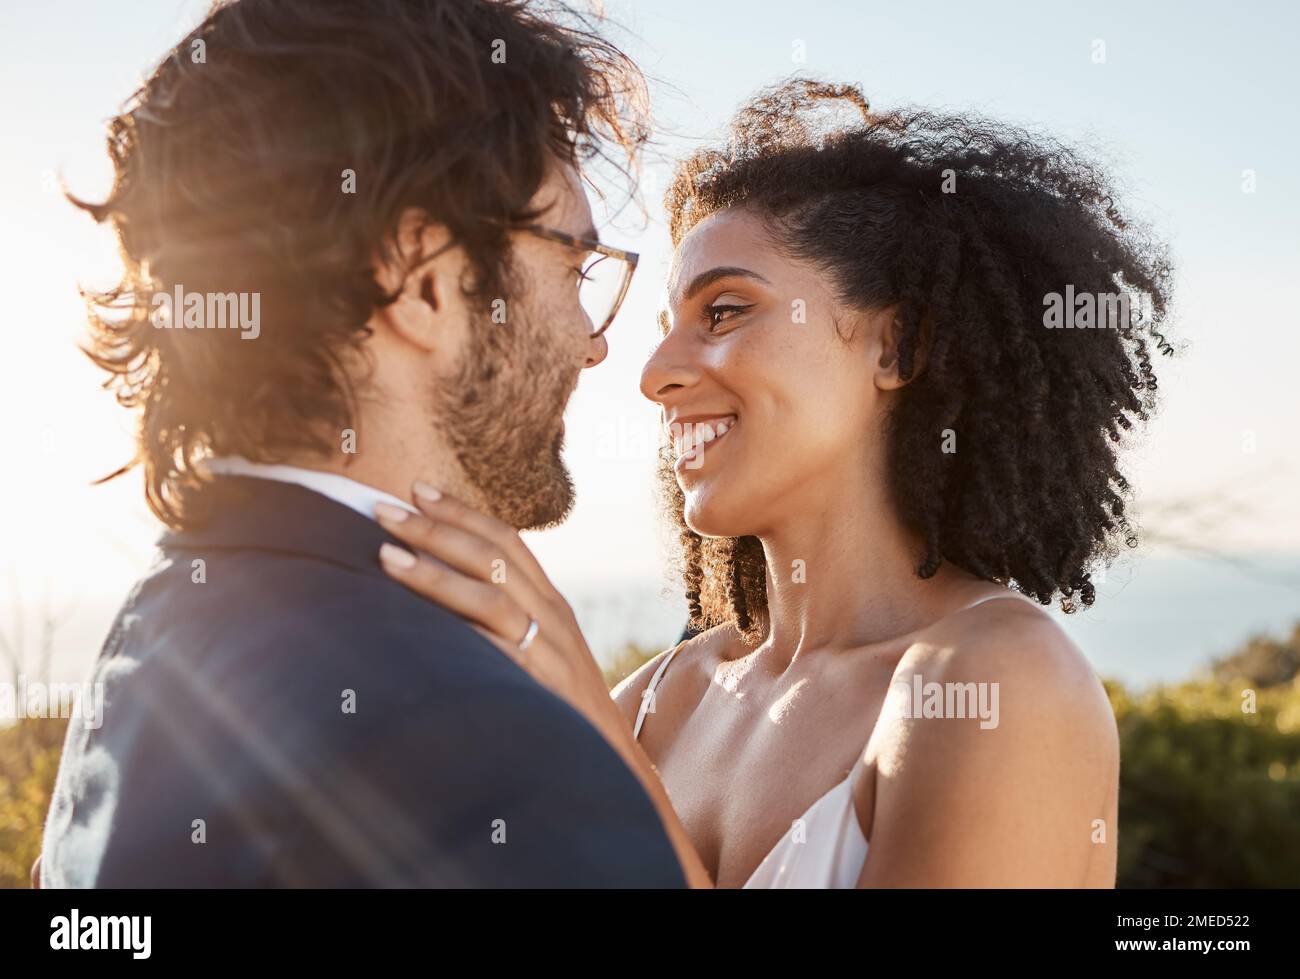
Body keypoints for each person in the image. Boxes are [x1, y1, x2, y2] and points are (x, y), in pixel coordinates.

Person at [376, 80, 1175, 887]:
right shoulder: (659, 700)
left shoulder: (994, 679)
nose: (655, 375)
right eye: (667, 331)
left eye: (723, 312)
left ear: (895, 346)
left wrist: (602, 751)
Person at [39, 0, 697, 888]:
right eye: (575, 267)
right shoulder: (499, 760)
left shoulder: (150, 642)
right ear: (422, 281)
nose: (594, 342)